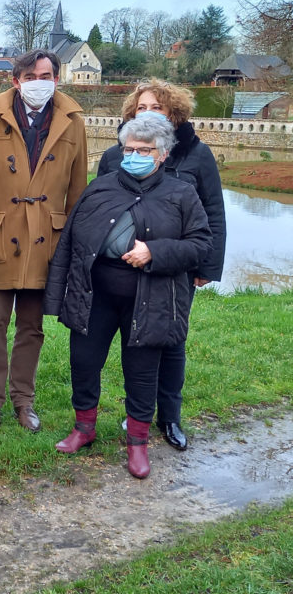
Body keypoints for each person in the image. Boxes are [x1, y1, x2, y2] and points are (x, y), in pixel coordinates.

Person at [44, 114, 211, 479]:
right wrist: (56, 296)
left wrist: (154, 251)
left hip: (151, 300)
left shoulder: (182, 194)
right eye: (129, 149)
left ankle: (137, 442)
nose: (134, 155)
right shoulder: (99, 188)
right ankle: (83, 428)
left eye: (144, 150)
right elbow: (69, 243)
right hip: (95, 297)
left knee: (141, 372)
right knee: (84, 363)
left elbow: (201, 244)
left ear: (162, 154)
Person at [0, 49, 87, 432]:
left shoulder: (73, 123)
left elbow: (78, 191)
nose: (39, 83)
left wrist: (73, 246)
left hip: (46, 241)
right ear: (16, 80)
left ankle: (23, 401)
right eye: (31, 77)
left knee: (32, 327)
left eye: (46, 76)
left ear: (57, 79)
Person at [97, 80, 226, 451]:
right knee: (136, 341)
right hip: (127, 266)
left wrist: (207, 267)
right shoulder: (116, 154)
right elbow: (102, 209)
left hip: (175, 266)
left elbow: (213, 213)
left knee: (171, 341)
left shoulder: (196, 155)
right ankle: (138, 411)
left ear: (174, 113)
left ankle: (169, 416)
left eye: (157, 107)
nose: (149, 113)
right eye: (142, 107)